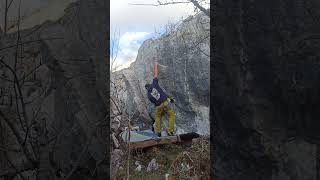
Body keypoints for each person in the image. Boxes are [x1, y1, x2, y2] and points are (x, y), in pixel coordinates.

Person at [145, 61, 176, 137]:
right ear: (150, 85)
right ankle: (170, 131)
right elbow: (155, 74)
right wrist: (155, 65)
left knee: (158, 117)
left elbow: (153, 102)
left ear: (146, 89)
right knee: (171, 115)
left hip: (159, 106)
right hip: (166, 102)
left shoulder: (148, 95)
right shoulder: (154, 84)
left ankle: (158, 132)